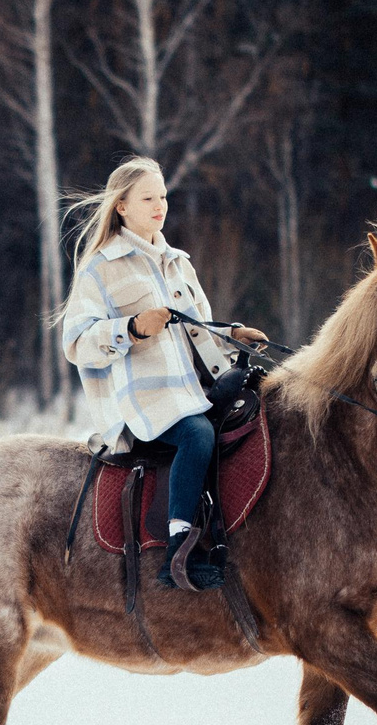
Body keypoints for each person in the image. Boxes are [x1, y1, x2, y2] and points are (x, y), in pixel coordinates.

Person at [59, 156, 267, 591]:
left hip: (196, 388)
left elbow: (199, 329)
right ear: (121, 206)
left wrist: (232, 335)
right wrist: (132, 328)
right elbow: (76, 343)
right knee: (197, 435)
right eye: (148, 199)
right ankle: (178, 551)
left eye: (164, 197)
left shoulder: (177, 262)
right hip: (147, 399)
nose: (160, 207)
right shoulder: (100, 267)